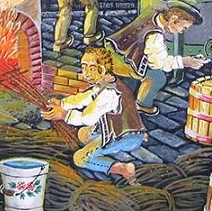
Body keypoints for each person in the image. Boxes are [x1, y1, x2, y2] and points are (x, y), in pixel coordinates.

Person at [42, 47, 146, 183]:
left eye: (90, 68)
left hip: (124, 137)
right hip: (120, 130)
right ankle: (102, 148)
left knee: (79, 159)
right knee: (83, 134)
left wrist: (64, 115)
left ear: (101, 70)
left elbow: (88, 118)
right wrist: (62, 103)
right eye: (83, 67)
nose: (85, 73)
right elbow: (85, 98)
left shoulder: (109, 93)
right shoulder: (106, 81)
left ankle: (123, 169)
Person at [105, 0, 206, 116]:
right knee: (158, 77)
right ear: (174, 19)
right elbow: (158, 64)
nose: (181, 31)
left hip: (114, 49)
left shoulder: (152, 14)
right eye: (183, 28)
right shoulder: (155, 35)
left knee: (141, 66)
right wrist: (184, 62)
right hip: (120, 61)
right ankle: (142, 105)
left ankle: (127, 93)